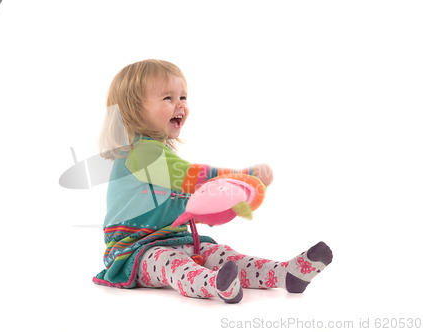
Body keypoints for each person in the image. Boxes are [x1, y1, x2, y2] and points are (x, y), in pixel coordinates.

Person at [93, 59, 332, 303]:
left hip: (177, 240)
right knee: (172, 264)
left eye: (183, 97)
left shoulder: (162, 153)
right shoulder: (141, 154)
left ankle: (285, 273)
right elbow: (193, 177)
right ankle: (215, 284)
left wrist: (220, 208)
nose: (180, 105)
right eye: (168, 98)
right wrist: (244, 177)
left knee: (222, 255)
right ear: (134, 109)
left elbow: (190, 204)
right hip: (133, 251)